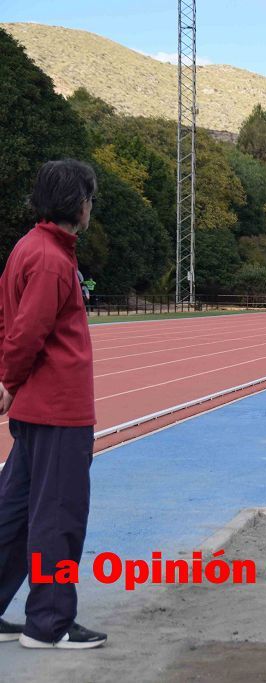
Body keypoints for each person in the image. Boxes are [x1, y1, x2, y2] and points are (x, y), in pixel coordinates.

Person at [0, 159, 107, 649]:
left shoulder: (30, 247)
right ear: (77, 203)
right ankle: (50, 623)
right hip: (58, 409)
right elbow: (27, 332)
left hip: (35, 409)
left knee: (16, 513)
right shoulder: (50, 259)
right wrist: (8, 379)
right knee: (58, 517)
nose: (90, 207)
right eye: (89, 198)